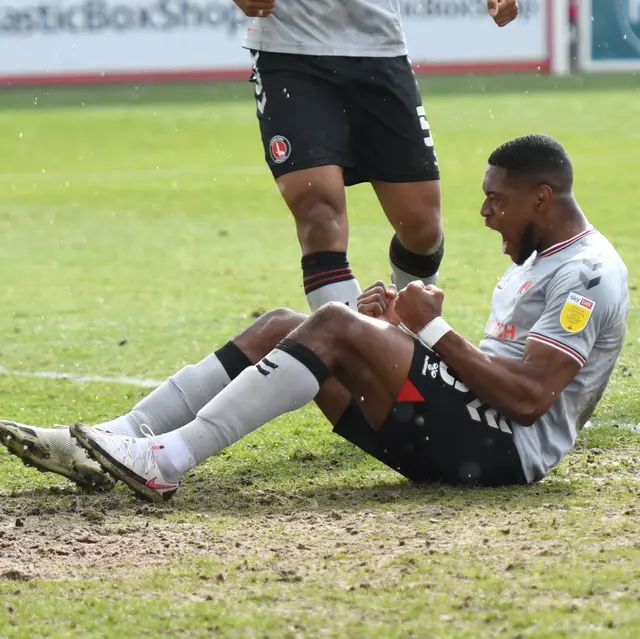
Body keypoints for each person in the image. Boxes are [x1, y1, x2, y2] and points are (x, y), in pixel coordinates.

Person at [1, 134, 628, 502]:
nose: (486, 212)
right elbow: (488, 371)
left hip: (502, 454)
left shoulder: (587, 274)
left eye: (497, 198)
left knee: (332, 323)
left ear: (542, 198)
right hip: (466, 429)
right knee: (286, 324)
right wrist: (404, 332)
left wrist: (430, 332)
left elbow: (528, 400)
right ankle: (112, 439)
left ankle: (164, 462)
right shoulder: (536, 258)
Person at [234, 0, 519, 311]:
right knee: (318, 213)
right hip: (289, 51)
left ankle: (401, 336)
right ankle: (352, 347)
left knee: (423, 231)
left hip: (380, 50)